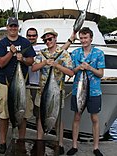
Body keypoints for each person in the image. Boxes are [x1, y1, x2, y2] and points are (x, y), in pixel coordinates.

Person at [0, 17, 36, 154]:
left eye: (15, 26)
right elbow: (0, 63)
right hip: (5, 84)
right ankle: (2, 142)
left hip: (22, 84)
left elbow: (30, 60)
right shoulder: (2, 44)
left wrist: (22, 59)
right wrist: (11, 53)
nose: (13, 28)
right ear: (7, 27)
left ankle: (21, 142)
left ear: (18, 27)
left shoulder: (24, 42)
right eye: (11, 26)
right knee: (4, 115)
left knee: (22, 113)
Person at [31, 28, 74, 155]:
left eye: (50, 39)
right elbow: (33, 68)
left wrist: (57, 65)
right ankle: (40, 142)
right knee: (40, 117)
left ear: (55, 38)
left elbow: (71, 72)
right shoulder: (42, 53)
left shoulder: (64, 54)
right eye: (45, 40)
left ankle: (60, 143)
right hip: (42, 92)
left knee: (57, 118)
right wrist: (44, 62)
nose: (48, 41)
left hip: (56, 93)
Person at [66, 27, 105, 156]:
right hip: (78, 91)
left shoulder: (99, 53)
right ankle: (74, 146)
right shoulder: (75, 53)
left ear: (91, 38)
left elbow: (100, 74)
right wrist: (79, 67)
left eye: (85, 38)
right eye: (81, 38)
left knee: (94, 118)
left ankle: (96, 147)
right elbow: (71, 72)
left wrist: (89, 68)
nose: (83, 40)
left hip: (94, 92)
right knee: (77, 117)